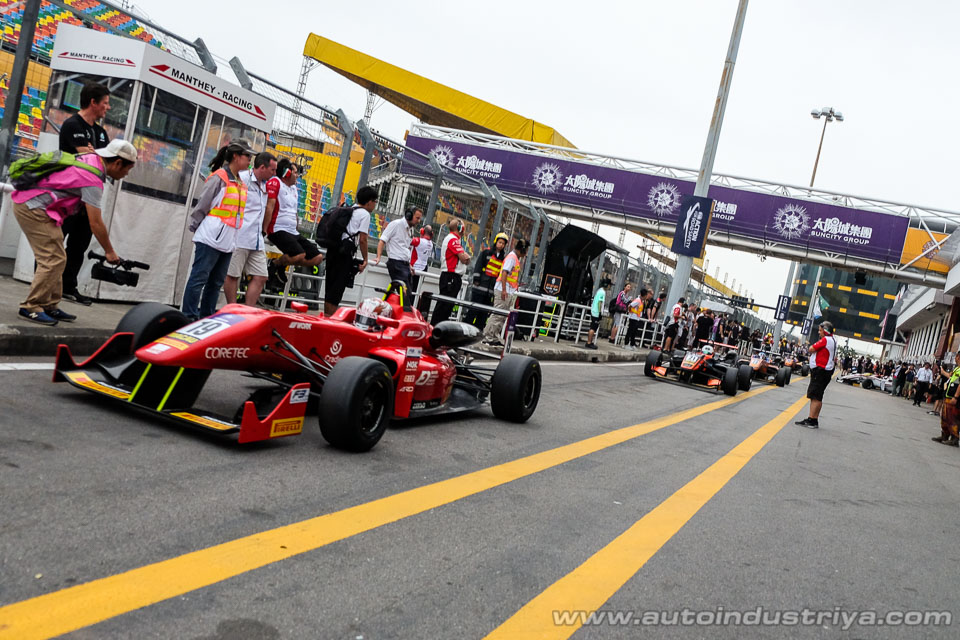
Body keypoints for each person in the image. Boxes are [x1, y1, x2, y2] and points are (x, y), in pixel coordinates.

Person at [11, 139, 137, 325]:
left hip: (38, 205)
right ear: (118, 163)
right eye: (128, 169)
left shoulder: (89, 159)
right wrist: (109, 251)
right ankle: (31, 306)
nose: (127, 174)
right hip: (34, 207)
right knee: (52, 259)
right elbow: (95, 222)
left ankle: (49, 305)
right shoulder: (93, 179)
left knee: (59, 257)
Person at [182, 142, 253, 321]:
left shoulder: (240, 182)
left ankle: (206, 318)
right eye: (247, 156)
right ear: (236, 156)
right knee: (199, 279)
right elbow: (203, 205)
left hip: (227, 241)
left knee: (215, 283)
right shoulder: (219, 177)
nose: (250, 160)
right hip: (210, 237)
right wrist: (196, 226)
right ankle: (189, 317)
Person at [58, 82, 111, 306]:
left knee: (79, 246)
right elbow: (86, 159)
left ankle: (69, 287)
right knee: (56, 243)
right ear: (93, 102)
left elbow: (103, 162)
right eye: (105, 103)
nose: (107, 108)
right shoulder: (72, 125)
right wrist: (93, 156)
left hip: (87, 201)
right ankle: (48, 287)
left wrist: (94, 155)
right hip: (68, 198)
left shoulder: (100, 132)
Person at [223, 152, 277, 307]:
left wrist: (263, 231)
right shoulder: (242, 178)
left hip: (256, 238)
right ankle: (232, 309)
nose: (274, 174)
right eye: (272, 170)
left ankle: (248, 310)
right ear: (262, 167)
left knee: (261, 276)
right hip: (240, 235)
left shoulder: (265, 184)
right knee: (232, 275)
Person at [265, 159, 322, 286]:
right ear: (287, 173)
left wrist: (296, 228)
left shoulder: (294, 189)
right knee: (299, 255)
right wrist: (264, 229)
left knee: (317, 257)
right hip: (278, 229)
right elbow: (269, 206)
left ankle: (279, 264)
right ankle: (275, 264)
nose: (297, 176)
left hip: (293, 231)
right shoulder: (276, 182)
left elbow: (294, 211)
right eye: (295, 173)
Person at [323, 185, 375, 316]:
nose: (375, 205)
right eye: (375, 202)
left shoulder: (350, 208)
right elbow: (363, 239)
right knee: (337, 289)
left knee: (330, 287)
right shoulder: (365, 214)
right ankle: (330, 320)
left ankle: (326, 317)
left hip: (333, 248)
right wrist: (366, 259)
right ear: (369, 202)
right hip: (345, 253)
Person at [481, 239, 528, 347]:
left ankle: (492, 336)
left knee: (501, 315)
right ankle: (488, 337)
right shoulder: (512, 258)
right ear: (523, 250)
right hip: (504, 290)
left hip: (507, 290)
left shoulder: (514, 258)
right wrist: (504, 290)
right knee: (498, 314)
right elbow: (504, 273)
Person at [795, 321, 838, 429]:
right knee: (817, 396)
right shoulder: (833, 340)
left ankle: (812, 420)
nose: (819, 333)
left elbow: (811, 349)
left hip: (821, 370)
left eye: (820, 330)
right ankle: (813, 419)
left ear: (826, 331)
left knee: (815, 396)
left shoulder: (826, 340)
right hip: (825, 370)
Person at [431, 218, 471, 325]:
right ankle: (436, 329)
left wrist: (465, 257)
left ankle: (438, 329)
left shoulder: (453, 239)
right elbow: (464, 259)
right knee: (444, 306)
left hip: (450, 277)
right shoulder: (452, 239)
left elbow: (465, 259)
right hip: (451, 277)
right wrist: (465, 256)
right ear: (460, 228)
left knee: (446, 306)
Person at [464, 232, 508, 329]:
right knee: (473, 310)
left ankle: (478, 330)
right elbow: (478, 266)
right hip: (479, 287)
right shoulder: (486, 253)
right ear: (496, 242)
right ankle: (466, 328)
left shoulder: (502, 258)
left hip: (490, 290)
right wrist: (476, 279)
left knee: (483, 313)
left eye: (503, 244)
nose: (501, 245)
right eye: (500, 242)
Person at [374, 207, 422, 288]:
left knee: (407, 295)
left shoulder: (411, 230)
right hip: (396, 263)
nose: (419, 221)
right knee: (404, 295)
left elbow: (404, 248)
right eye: (417, 218)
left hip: (404, 265)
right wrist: (378, 257)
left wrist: (409, 265)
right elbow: (382, 241)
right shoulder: (396, 224)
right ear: (409, 215)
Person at [933, 361, 960, 446]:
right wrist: (943, 372)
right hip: (948, 396)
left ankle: (954, 438)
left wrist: (956, 396)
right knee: (945, 417)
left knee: (952, 418)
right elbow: (950, 377)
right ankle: (945, 435)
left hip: (954, 397)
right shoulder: (957, 368)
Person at [583, 278, 611, 350]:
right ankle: (589, 342)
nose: (610, 287)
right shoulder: (602, 292)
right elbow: (599, 303)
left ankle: (590, 341)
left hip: (594, 311)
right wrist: (599, 313)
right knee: (593, 327)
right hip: (596, 312)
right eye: (609, 285)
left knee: (593, 327)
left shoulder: (600, 290)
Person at [409, 225, 434, 293]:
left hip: (414, 267)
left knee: (409, 289)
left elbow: (407, 240)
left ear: (422, 231)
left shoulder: (419, 241)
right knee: (416, 290)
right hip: (423, 268)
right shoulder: (431, 244)